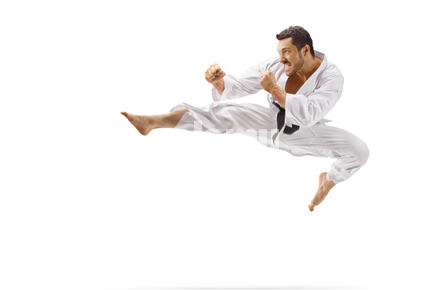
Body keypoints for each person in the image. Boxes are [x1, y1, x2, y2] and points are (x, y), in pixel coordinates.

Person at [121, 26, 369, 211]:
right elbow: (239, 85)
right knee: (227, 114)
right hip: (269, 124)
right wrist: (219, 81)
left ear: (305, 49)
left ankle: (328, 181)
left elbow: (311, 113)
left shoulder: (331, 76)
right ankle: (153, 121)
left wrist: (275, 91)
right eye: (279, 52)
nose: (281, 58)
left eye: (287, 52)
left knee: (359, 151)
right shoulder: (275, 64)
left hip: (307, 131)